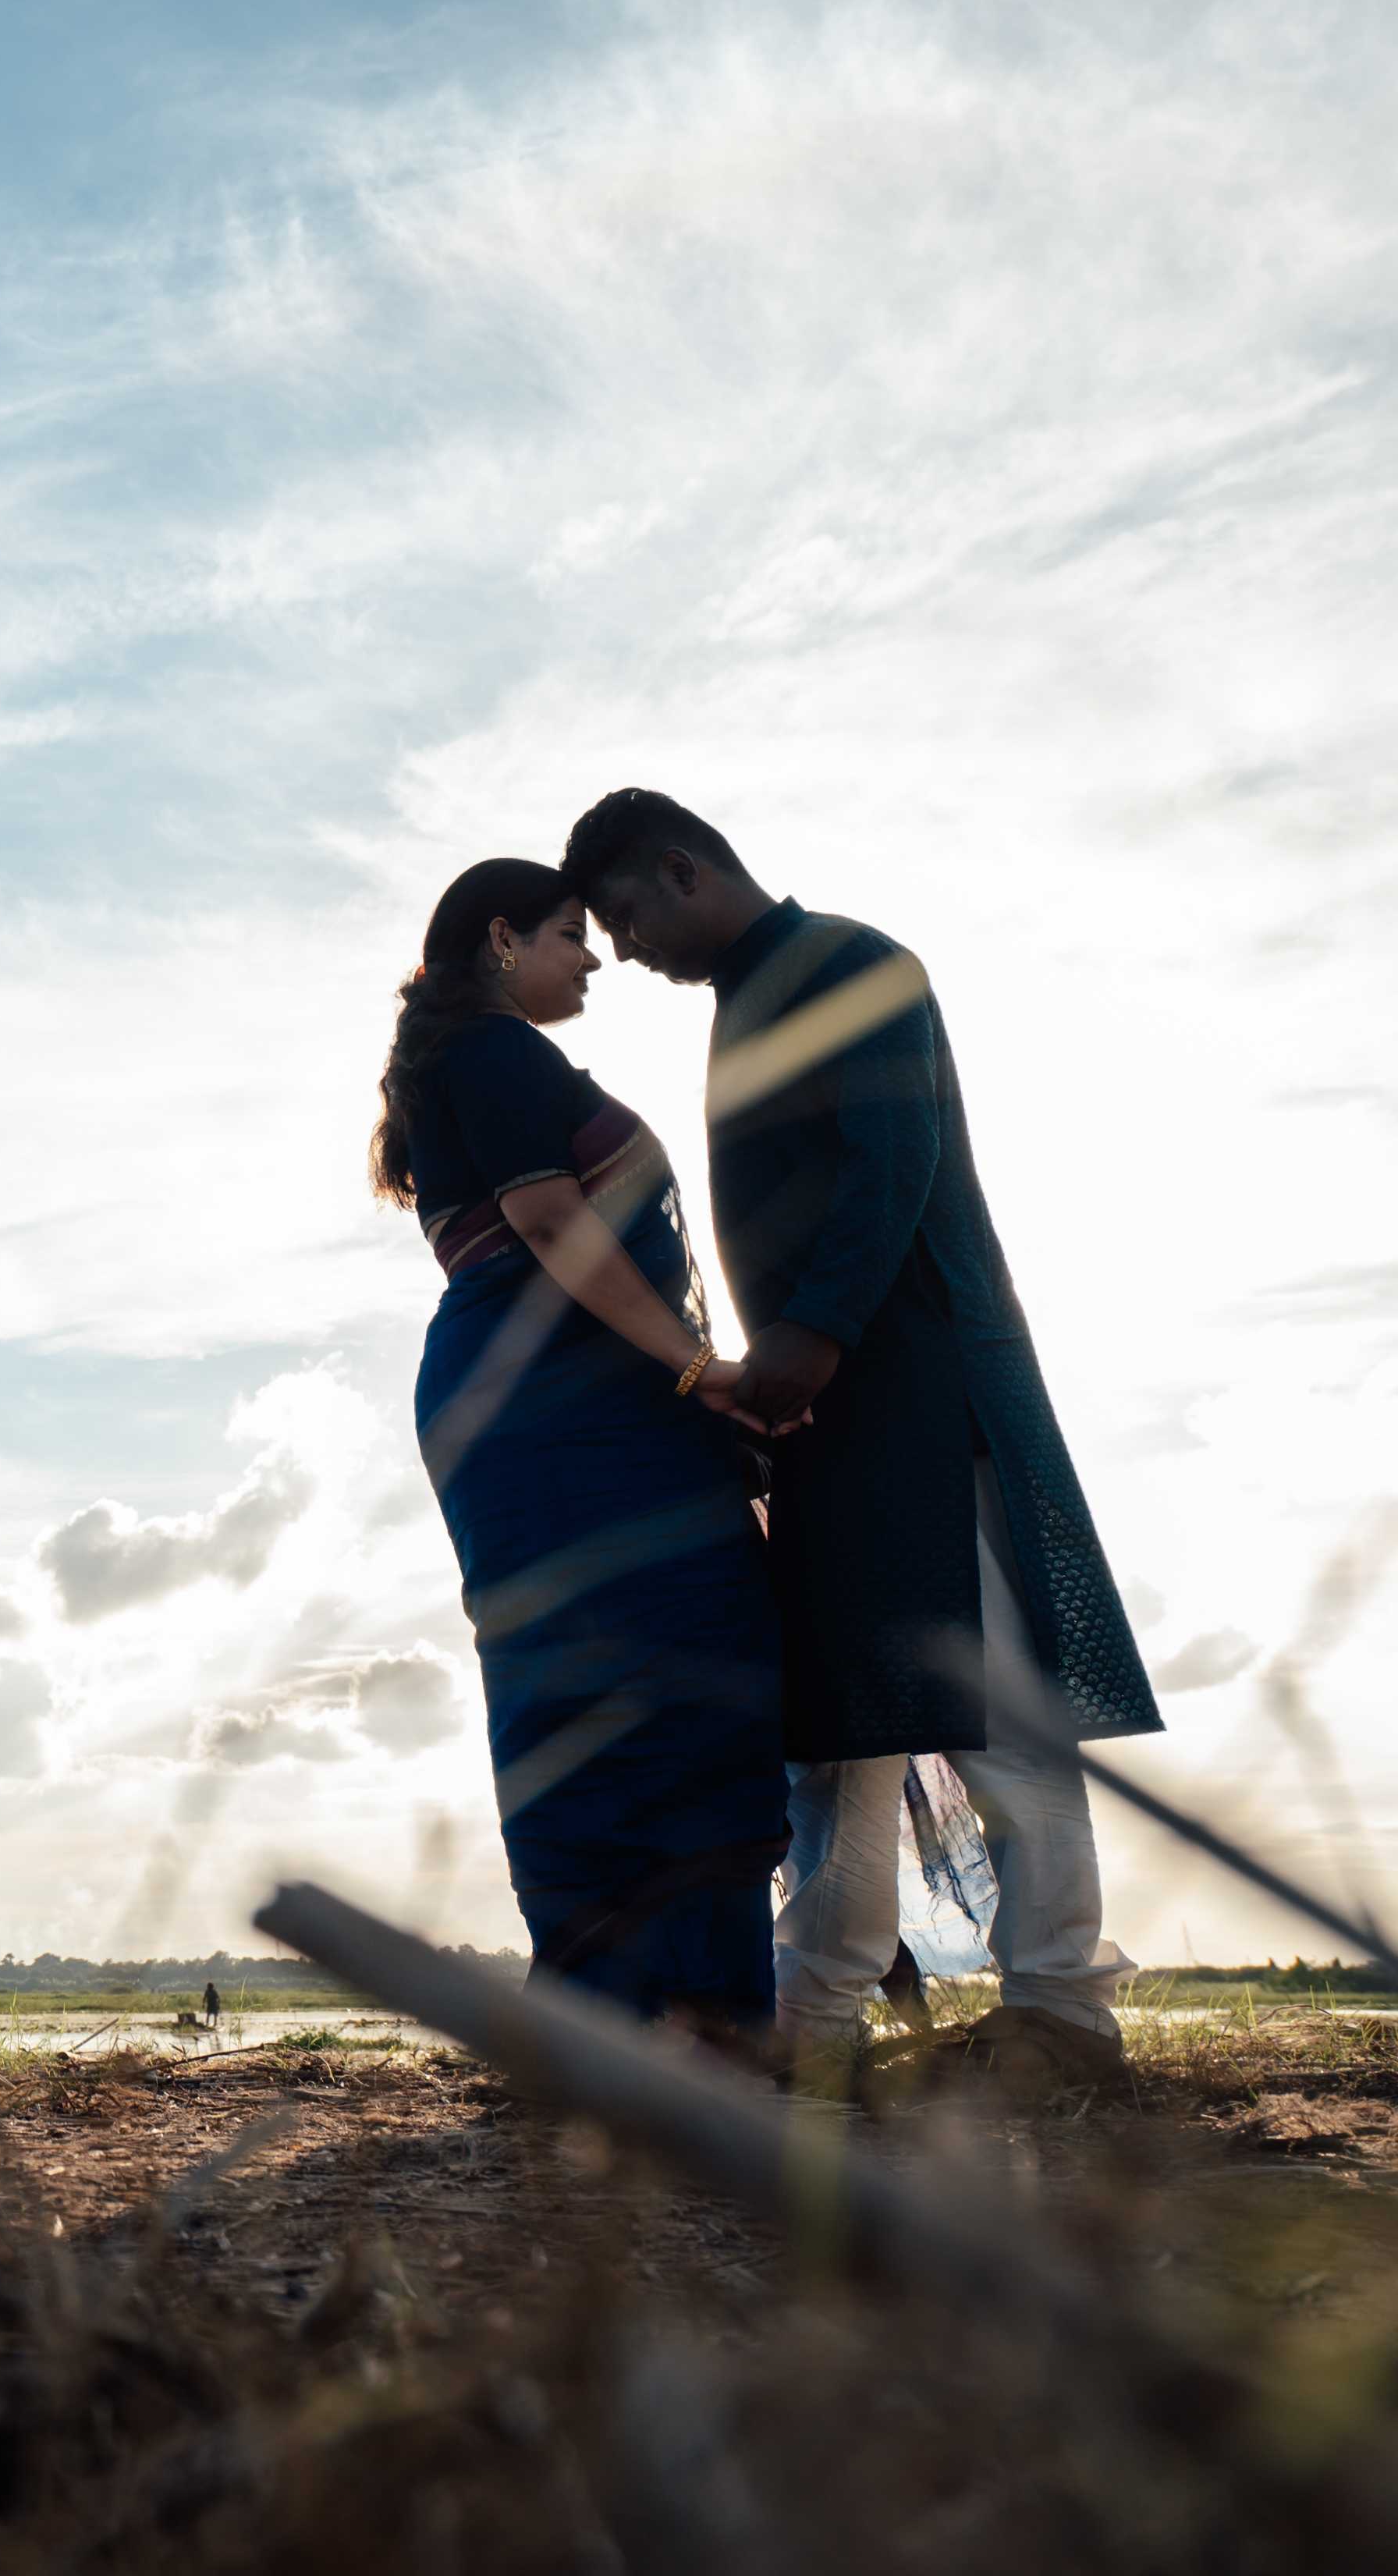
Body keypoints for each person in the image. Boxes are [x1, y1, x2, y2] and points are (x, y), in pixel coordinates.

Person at [557, 789, 1162, 2099]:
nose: (624, 952)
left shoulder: (851, 962)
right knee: (842, 1738)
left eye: (625, 918)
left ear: (681, 870)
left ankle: (1062, 2011)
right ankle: (815, 2024)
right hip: (829, 1421)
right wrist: (789, 1387)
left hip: (931, 1397)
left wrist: (815, 1336)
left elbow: (896, 1162)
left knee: (1001, 1716)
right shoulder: (747, 1002)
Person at [374, 859, 789, 2038]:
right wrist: (700, 1369)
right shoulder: (494, 1053)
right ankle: (640, 2018)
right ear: (500, 939)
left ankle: (666, 2012)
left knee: (651, 1670)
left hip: (563, 1402)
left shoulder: (483, 1057)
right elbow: (550, 1219)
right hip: (557, 1409)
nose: (593, 958)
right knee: (632, 1676)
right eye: (570, 935)